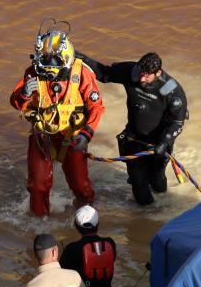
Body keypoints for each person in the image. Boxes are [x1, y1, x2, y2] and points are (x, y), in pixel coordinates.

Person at [10, 21, 105, 216]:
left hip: (73, 138)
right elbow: (15, 102)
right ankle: (39, 226)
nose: (48, 65)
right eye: (45, 59)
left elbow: (97, 107)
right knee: (37, 186)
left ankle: (87, 218)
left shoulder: (81, 73)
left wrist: (86, 134)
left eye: (53, 60)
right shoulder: (32, 73)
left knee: (81, 187)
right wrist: (24, 94)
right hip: (42, 137)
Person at [75, 51, 187, 205]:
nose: (141, 78)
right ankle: (145, 218)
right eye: (141, 73)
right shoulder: (131, 72)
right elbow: (104, 74)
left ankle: (162, 213)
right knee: (139, 186)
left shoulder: (172, 91)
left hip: (158, 145)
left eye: (147, 75)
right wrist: (82, 58)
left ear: (158, 73)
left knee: (158, 182)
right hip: (133, 140)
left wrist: (165, 142)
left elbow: (178, 122)